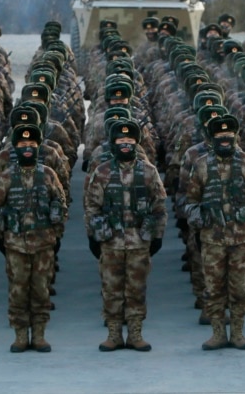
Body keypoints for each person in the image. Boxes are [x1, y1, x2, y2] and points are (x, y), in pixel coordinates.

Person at [84, 119, 167, 352]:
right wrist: (94, 235)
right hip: (110, 242)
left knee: (136, 290)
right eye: (121, 141)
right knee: (111, 290)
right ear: (113, 144)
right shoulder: (102, 172)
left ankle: (135, 334)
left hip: (139, 242)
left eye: (130, 141)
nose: (125, 145)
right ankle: (113, 334)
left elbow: (159, 206)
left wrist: (156, 236)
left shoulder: (149, 172)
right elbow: (92, 207)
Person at [185, 114, 245, 350]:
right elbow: (191, 200)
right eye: (219, 137)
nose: (224, 140)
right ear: (212, 138)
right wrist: (199, 227)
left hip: (240, 238)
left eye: (228, 136)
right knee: (214, 288)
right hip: (212, 239)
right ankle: (218, 333)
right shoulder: (201, 164)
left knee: (240, 289)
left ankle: (238, 332)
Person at [0, 124, 67, 353]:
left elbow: (60, 205)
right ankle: (20, 335)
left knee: (41, 290)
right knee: (18, 291)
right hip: (15, 245)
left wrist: (55, 235)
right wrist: (0, 238)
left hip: (43, 245)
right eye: (23, 145)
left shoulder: (49, 175)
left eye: (32, 145)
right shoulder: (6, 177)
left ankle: (39, 335)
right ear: (15, 148)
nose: (28, 148)